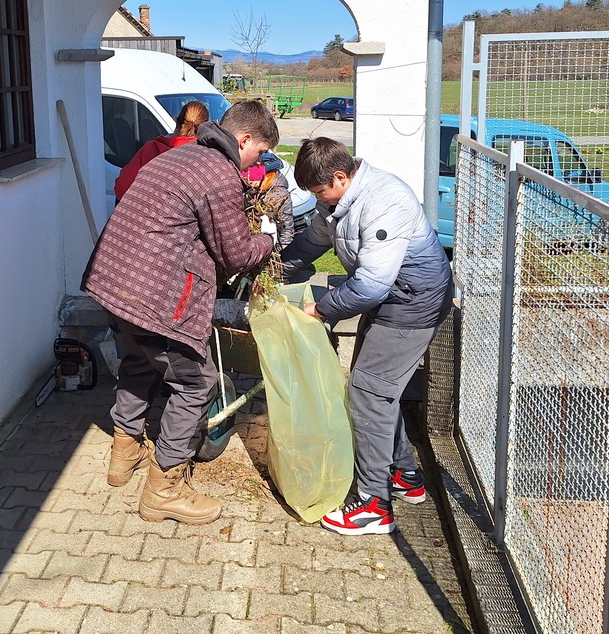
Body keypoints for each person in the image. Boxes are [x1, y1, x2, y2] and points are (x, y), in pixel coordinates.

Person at [82, 100, 280, 525]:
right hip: (156, 296)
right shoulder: (218, 173)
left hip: (112, 283)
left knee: (139, 362)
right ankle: (164, 489)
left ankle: (124, 453)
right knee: (196, 383)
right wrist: (268, 238)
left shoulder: (179, 154)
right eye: (260, 152)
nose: (258, 161)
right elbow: (236, 253)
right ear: (245, 139)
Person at [281, 137, 453, 536]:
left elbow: (372, 285)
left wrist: (320, 309)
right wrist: (274, 268)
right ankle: (404, 475)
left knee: (368, 393)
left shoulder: (383, 202)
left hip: (413, 302)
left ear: (341, 177)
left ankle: (375, 504)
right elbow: (313, 241)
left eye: (319, 192)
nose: (318, 200)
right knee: (376, 390)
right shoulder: (338, 202)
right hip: (391, 296)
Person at [114, 100, 209, 201]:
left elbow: (122, 187)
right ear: (206, 128)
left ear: (176, 121)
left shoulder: (151, 148)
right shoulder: (206, 158)